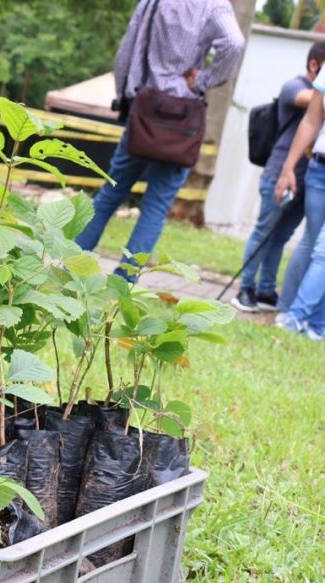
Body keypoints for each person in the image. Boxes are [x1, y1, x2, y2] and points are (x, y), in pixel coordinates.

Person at [75, 0, 244, 281]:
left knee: (111, 193)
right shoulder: (214, 5)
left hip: (144, 110)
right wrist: (204, 80)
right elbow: (234, 43)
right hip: (182, 119)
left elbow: (126, 52)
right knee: (156, 206)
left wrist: (123, 96)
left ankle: (72, 261)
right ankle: (123, 280)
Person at [231, 42, 325, 312]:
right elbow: (309, 100)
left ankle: (265, 290)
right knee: (263, 231)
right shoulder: (294, 87)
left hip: (307, 179)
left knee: (280, 236)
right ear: (314, 65)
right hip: (280, 173)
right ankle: (245, 288)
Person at [274, 72, 325, 341]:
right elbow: (312, 119)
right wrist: (288, 167)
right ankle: (310, 322)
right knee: (311, 242)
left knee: (323, 252)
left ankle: (296, 319)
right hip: (319, 169)